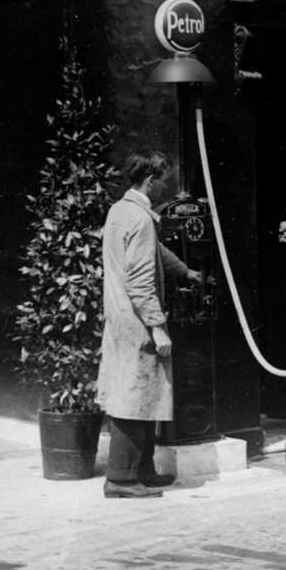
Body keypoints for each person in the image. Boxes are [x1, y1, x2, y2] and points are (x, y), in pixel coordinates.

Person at [96, 150, 202, 499]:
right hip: (138, 321)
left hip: (119, 318)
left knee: (141, 394)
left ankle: (143, 470)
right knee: (135, 396)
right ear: (151, 180)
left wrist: (185, 271)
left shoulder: (120, 211)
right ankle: (121, 479)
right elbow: (140, 280)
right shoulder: (141, 219)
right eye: (163, 180)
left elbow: (152, 251)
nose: (165, 187)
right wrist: (157, 326)